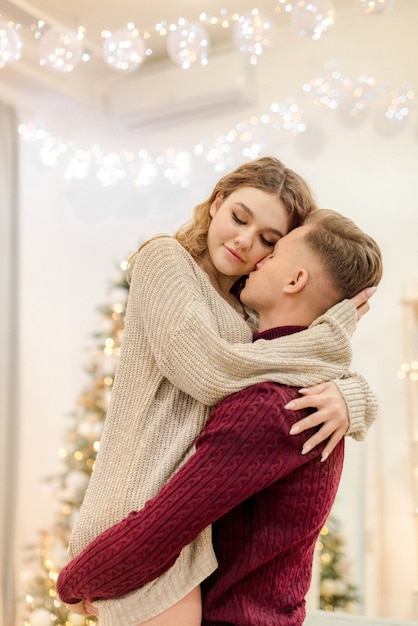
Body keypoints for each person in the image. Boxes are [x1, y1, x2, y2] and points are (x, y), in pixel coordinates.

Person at [60, 158, 376, 626]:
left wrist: (354, 396)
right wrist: (330, 342)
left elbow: (275, 364)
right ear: (217, 202)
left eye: (269, 241)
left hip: (181, 526)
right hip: (137, 511)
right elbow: (208, 371)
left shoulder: (249, 310)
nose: (245, 242)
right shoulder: (166, 260)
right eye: (239, 217)